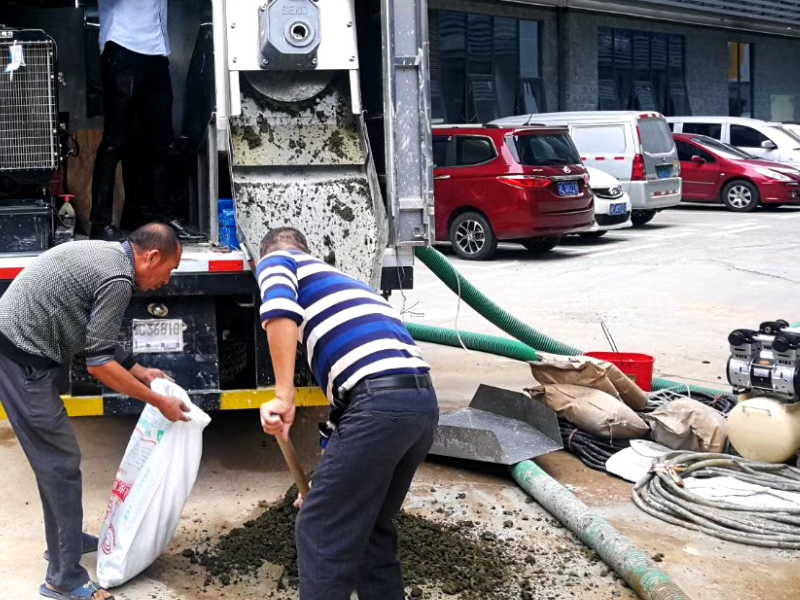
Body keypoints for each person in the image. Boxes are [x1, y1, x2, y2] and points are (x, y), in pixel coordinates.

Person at [0, 223, 189, 600]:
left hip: (24, 350)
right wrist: (158, 402)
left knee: (53, 463)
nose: (165, 281)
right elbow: (99, 364)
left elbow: (96, 335)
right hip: (20, 361)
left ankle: (64, 544)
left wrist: (139, 370)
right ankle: (62, 578)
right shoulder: (118, 277)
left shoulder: (107, 258)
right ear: (150, 257)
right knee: (60, 465)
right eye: (168, 270)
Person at [256, 227, 438, 600]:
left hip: (378, 404)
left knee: (321, 526)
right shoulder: (350, 287)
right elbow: (349, 414)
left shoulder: (278, 259)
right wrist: (332, 487)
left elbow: (278, 311)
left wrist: (283, 395)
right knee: (370, 526)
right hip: (419, 405)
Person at [90, 0, 174, 241]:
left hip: (157, 52)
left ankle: (157, 219)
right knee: (115, 140)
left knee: (160, 141)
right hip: (123, 47)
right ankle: (100, 222)